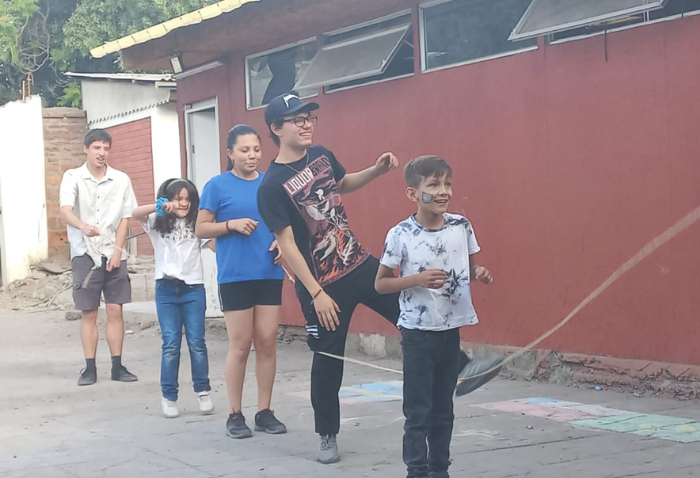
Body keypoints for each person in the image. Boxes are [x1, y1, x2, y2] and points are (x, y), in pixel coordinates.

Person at [257, 93, 402, 464]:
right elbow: (287, 245)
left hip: (358, 263)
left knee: (411, 311)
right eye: (297, 119)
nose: (307, 124)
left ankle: (461, 368)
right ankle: (327, 435)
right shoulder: (271, 185)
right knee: (328, 361)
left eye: (309, 118)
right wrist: (316, 293)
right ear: (276, 128)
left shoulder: (321, 154)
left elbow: (344, 183)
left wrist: (376, 170)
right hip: (322, 285)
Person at [375, 155, 494, 478]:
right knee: (418, 411)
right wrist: (416, 279)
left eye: (447, 184)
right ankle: (416, 469)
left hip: (450, 329)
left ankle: (440, 469)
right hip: (417, 332)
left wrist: (479, 273)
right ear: (412, 193)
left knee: (444, 409)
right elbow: (381, 283)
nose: (443, 192)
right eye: (433, 185)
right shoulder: (400, 234)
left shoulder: (461, 227)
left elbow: (469, 267)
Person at [195, 124, 287, 439]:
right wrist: (230, 225)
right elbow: (201, 228)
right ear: (230, 153)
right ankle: (235, 413)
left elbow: (285, 225)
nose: (252, 155)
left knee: (267, 341)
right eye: (244, 150)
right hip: (235, 275)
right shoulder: (217, 186)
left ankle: (264, 411)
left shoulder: (270, 183)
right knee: (240, 345)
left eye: (256, 149)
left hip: (269, 273)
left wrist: (281, 243)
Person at [59, 129, 138, 386]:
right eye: (96, 148)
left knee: (115, 309)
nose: (101, 153)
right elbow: (65, 211)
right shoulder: (73, 177)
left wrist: (118, 251)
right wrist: (82, 226)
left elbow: (126, 217)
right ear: (86, 149)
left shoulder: (121, 179)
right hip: (84, 253)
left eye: (106, 148)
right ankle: (90, 368)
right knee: (89, 311)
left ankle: (117, 366)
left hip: (112, 251)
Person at [132, 178, 215, 419]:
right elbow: (135, 213)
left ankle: (203, 391)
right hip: (166, 289)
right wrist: (159, 206)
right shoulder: (157, 222)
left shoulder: (197, 222)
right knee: (171, 344)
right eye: (178, 199)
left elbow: (214, 243)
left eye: (188, 199)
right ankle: (169, 396)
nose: (183, 204)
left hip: (193, 289)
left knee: (197, 342)